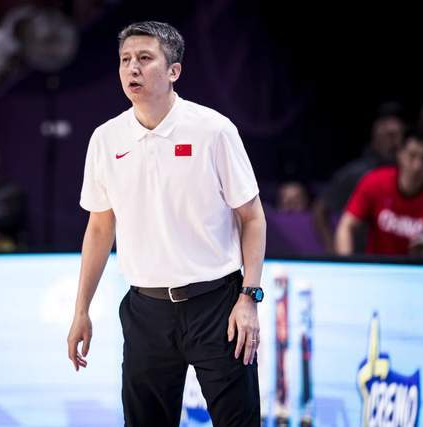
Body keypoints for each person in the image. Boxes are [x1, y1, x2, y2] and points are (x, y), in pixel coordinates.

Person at [66, 21, 266, 426]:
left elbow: (252, 216)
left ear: (174, 70)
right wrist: (81, 310)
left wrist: (249, 297)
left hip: (218, 305)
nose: (132, 68)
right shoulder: (106, 138)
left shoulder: (214, 129)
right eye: (125, 60)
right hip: (146, 311)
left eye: (144, 58)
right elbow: (100, 228)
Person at [335, 130, 423, 255]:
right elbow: (346, 226)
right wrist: (347, 261)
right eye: (412, 156)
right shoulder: (375, 182)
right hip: (378, 263)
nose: (417, 166)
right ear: (400, 154)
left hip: (419, 265)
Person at [312, 102, 406, 252]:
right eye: (388, 135)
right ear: (375, 135)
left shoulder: (409, 175)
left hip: (399, 258)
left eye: (396, 135)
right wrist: (332, 250)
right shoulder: (356, 173)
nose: (392, 142)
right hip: (360, 257)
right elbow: (320, 210)